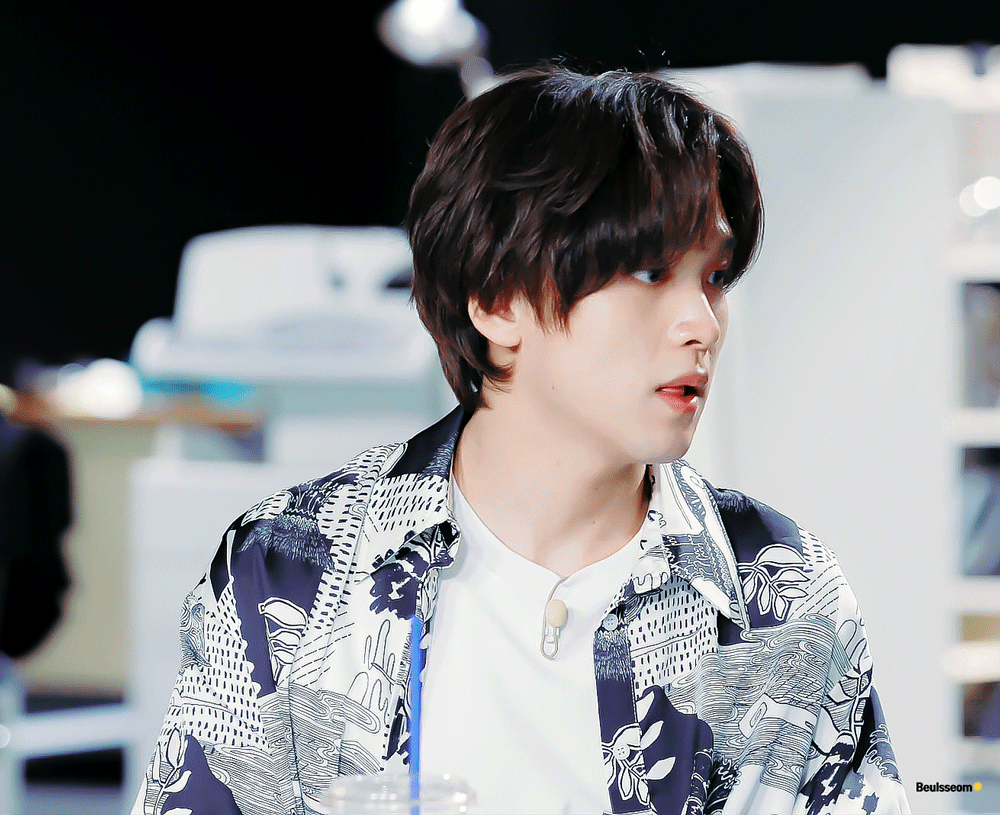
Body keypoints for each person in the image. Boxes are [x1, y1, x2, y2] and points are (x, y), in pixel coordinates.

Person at [133, 67, 910, 815]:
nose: (701, 325)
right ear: (497, 300)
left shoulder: (782, 590)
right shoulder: (288, 569)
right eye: (650, 272)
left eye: (714, 278)